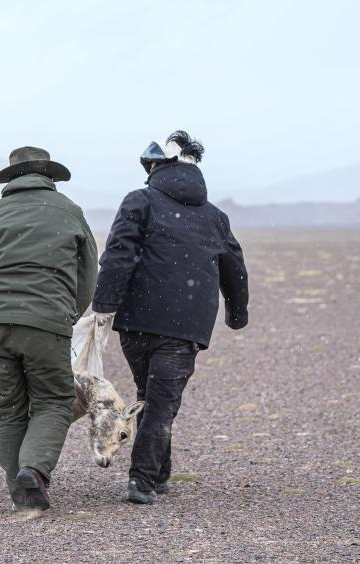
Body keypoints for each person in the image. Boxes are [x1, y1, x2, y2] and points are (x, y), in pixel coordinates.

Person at [92, 130, 249, 504]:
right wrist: (237, 313)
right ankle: (143, 480)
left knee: (153, 397)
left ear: (155, 169)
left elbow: (118, 254)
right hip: (185, 327)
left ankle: (157, 475)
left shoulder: (140, 201)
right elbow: (235, 267)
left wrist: (104, 305)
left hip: (136, 322)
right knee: (161, 402)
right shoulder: (215, 217)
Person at [0, 146, 98, 512]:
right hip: (46, 319)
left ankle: (21, 495)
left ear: (12, 179)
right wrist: (69, 313)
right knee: (53, 400)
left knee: (5, 408)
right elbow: (87, 272)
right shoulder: (68, 210)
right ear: (49, 177)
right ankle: (34, 470)